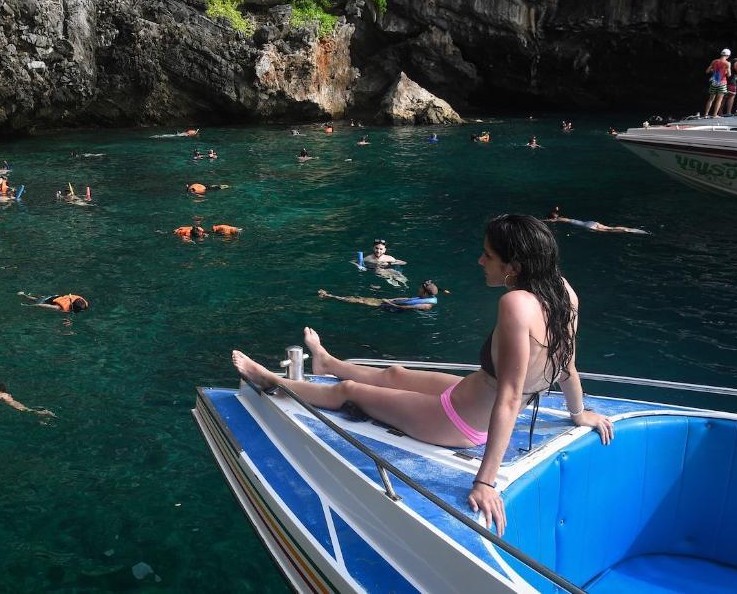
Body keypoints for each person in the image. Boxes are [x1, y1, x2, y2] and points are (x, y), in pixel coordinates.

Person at [231, 214, 614, 535]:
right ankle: (326, 364)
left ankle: (273, 381)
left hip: (460, 422)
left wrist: (485, 481)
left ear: (513, 267)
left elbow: (511, 396)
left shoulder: (515, 303)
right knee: (395, 373)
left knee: (349, 392)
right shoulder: (564, 292)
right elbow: (567, 363)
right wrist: (578, 413)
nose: (481, 262)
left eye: (488, 255)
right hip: (469, 393)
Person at [318, 279, 440, 311]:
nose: (418, 289)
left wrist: (389, 303)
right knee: (361, 299)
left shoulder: (426, 305)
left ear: (424, 292)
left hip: (391, 308)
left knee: (360, 301)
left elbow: (406, 307)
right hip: (390, 303)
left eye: (420, 288)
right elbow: (406, 299)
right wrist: (393, 299)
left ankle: (329, 296)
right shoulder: (423, 297)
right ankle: (331, 296)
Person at [545, 206, 649, 234]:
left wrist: (541, 220)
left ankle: (624, 231)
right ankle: (628, 229)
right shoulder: (563, 217)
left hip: (588, 226)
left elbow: (551, 220)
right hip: (591, 222)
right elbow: (556, 213)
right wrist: (556, 209)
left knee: (608, 231)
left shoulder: (559, 220)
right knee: (609, 228)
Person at [703, 49, 732, 118]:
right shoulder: (727, 63)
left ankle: (706, 114)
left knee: (710, 99)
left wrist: (713, 70)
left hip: (714, 82)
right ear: (728, 55)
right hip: (722, 82)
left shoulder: (714, 61)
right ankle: (715, 115)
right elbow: (729, 75)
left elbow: (707, 71)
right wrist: (726, 71)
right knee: (719, 99)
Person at [18, 292, 89, 312]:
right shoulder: (59, 307)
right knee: (34, 299)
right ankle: (23, 295)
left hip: (55, 297)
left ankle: (25, 294)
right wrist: (28, 306)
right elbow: (41, 305)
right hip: (46, 301)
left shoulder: (79, 300)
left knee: (39, 297)